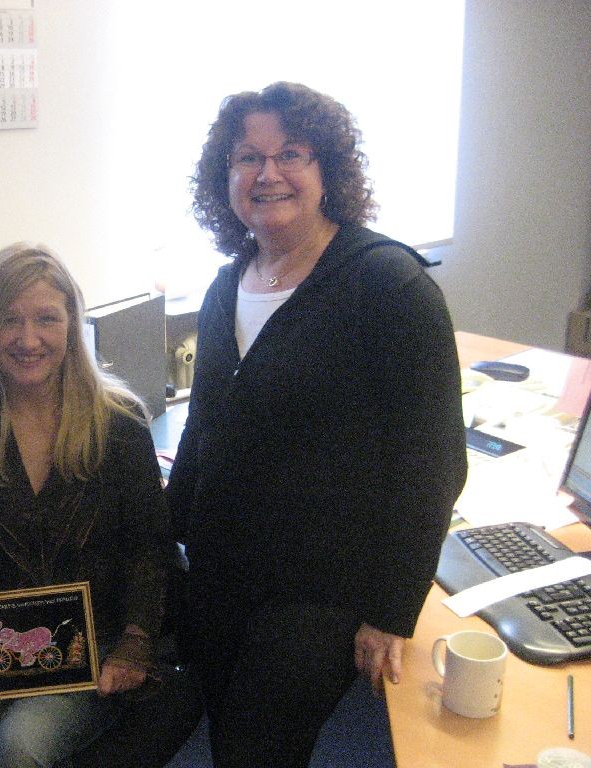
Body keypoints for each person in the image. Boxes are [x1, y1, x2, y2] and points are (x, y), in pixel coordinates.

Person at [165, 82, 468, 767]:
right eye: (248, 157)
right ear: (228, 178)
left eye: (291, 154)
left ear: (327, 170)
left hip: (320, 590)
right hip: (222, 574)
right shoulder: (226, 285)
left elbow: (434, 463)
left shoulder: (388, 288)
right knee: (226, 735)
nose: (268, 173)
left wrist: (392, 610)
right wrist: (162, 544)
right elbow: (204, 431)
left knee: (254, 750)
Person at [0, 243, 173, 767]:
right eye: (9, 320)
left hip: (90, 658)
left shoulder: (119, 429)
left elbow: (148, 552)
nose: (28, 339)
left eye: (47, 319)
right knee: (14, 752)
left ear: (71, 326)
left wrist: (135, 644)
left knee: (20, 750)